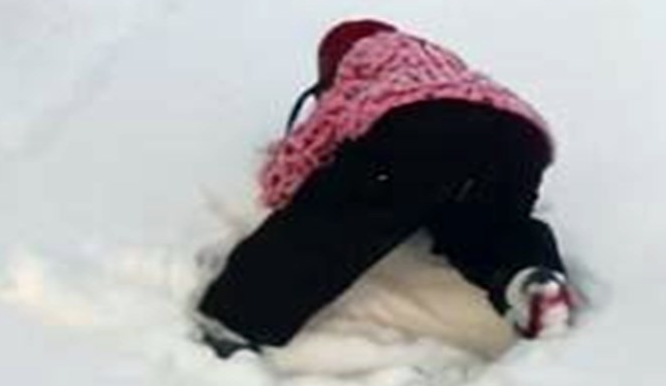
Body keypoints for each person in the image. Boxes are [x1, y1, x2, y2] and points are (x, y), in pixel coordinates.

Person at [196, 19, 574, 355]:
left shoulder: (362, 62)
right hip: (521, 137)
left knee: (337, 217)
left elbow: (317, 136)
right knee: (484, 225)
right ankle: (528, 280)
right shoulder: (441, 63)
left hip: (426, 122)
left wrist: (284, 178)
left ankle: (236, 321)